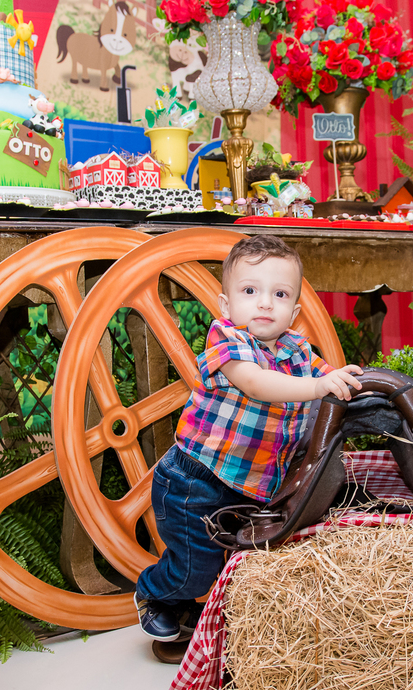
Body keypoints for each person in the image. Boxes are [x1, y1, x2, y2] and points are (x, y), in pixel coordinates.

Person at [134, 236, 364, 642]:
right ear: (226, 305)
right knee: (194, 565)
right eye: (250, 291)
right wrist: (317, 387)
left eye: (279, 294)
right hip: (195, 481)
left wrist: (342, 378)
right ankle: (156, 594)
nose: (264, 304)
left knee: (243, 556)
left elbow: (322, 372)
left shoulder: (295, 347)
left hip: (253, 482)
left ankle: (205, 607)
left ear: (294, 311)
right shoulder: (228, 339)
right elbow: (257, 384)